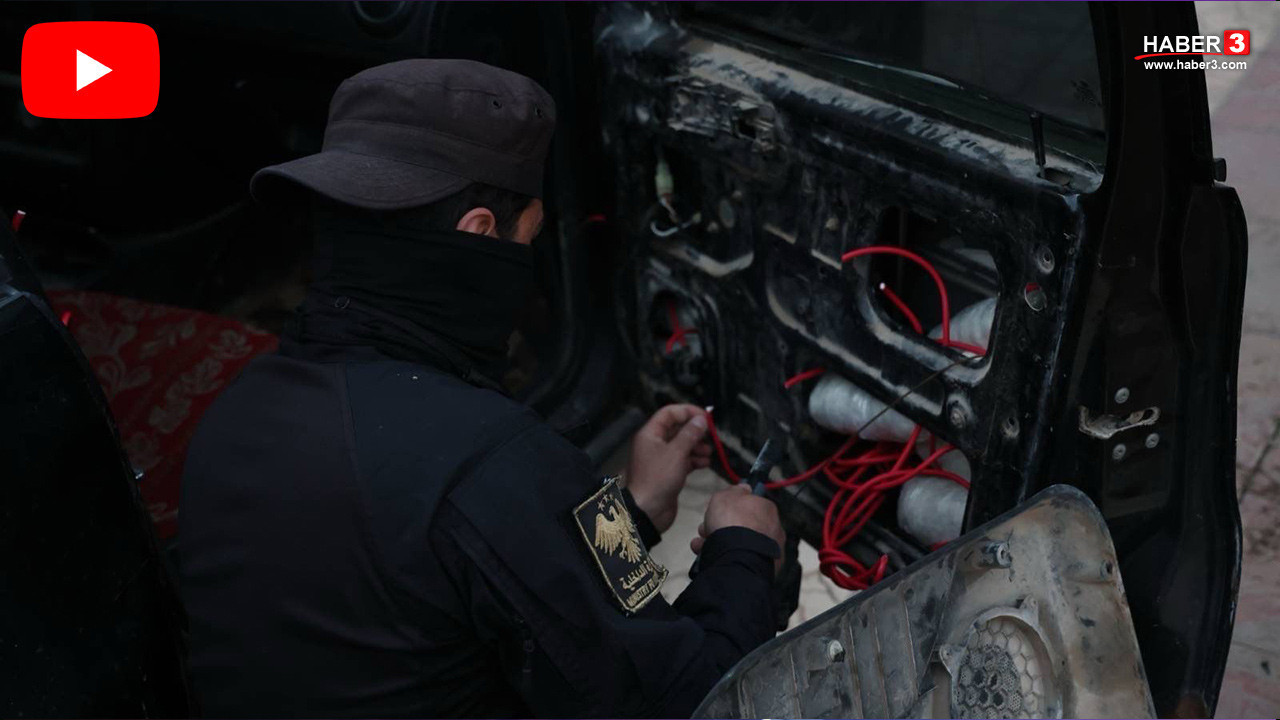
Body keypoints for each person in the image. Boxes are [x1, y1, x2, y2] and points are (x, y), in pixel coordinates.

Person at [178, 59, 785, 718]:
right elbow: (689, 701)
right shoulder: (490, 463)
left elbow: (459, 578)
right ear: (480, 236)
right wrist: (746, 552)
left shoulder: (239, 410)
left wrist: (625, 516)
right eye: (529, 235)